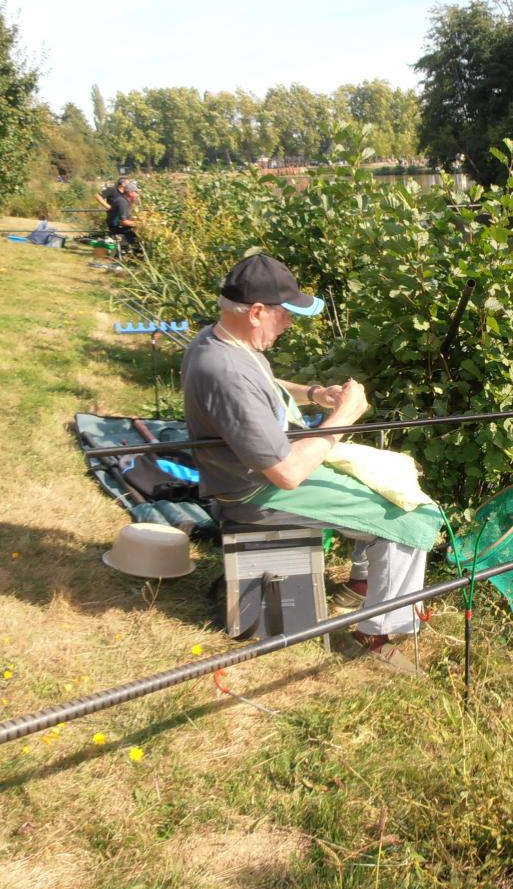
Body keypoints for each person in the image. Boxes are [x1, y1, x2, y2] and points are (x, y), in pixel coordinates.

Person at [181, 253, 442, 666]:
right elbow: (286, 473)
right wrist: (344, 416)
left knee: (389, 483)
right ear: (257, 312)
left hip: (262, 472)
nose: (290, 323)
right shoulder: (225, 370)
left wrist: (315, 394)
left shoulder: (218, 340)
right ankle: (374, 636)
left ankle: (361, 585)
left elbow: (264, 383)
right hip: (256, 493)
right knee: (410, 520)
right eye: (285, 314)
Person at [105, 180, 139, 246]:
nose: (137, 195)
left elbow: (127, 217)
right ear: (130, 193)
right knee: (138, 235)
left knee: (137, 232)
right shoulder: (122, 202)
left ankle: (131, 251)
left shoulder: (124, 200)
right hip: (116, 228)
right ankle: (132, 252)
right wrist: (139, 224)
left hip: (119, 227)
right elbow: (123, 222)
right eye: (136, 192)